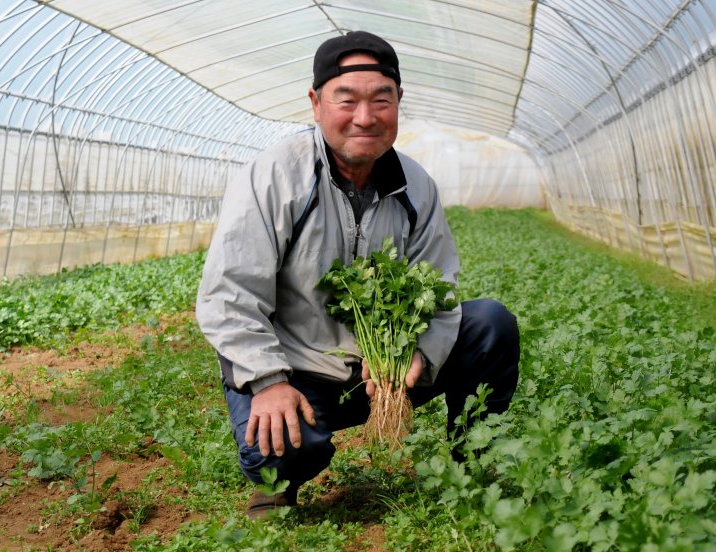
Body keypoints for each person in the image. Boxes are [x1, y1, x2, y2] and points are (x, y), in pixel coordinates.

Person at [195, 30, 519, 520]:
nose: (364, 117)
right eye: (346, 100)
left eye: (381, 100)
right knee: (282, 454)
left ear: (398, 102)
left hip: (384, 372)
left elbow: (439, 290)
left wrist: (418, 355)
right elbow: (229, 294)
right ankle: (277, 482)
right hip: (299, 370)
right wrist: (266, 381)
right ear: (316, 103)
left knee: (489, 323)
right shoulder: (277, 174)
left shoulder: (416, 185)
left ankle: (472, 462)